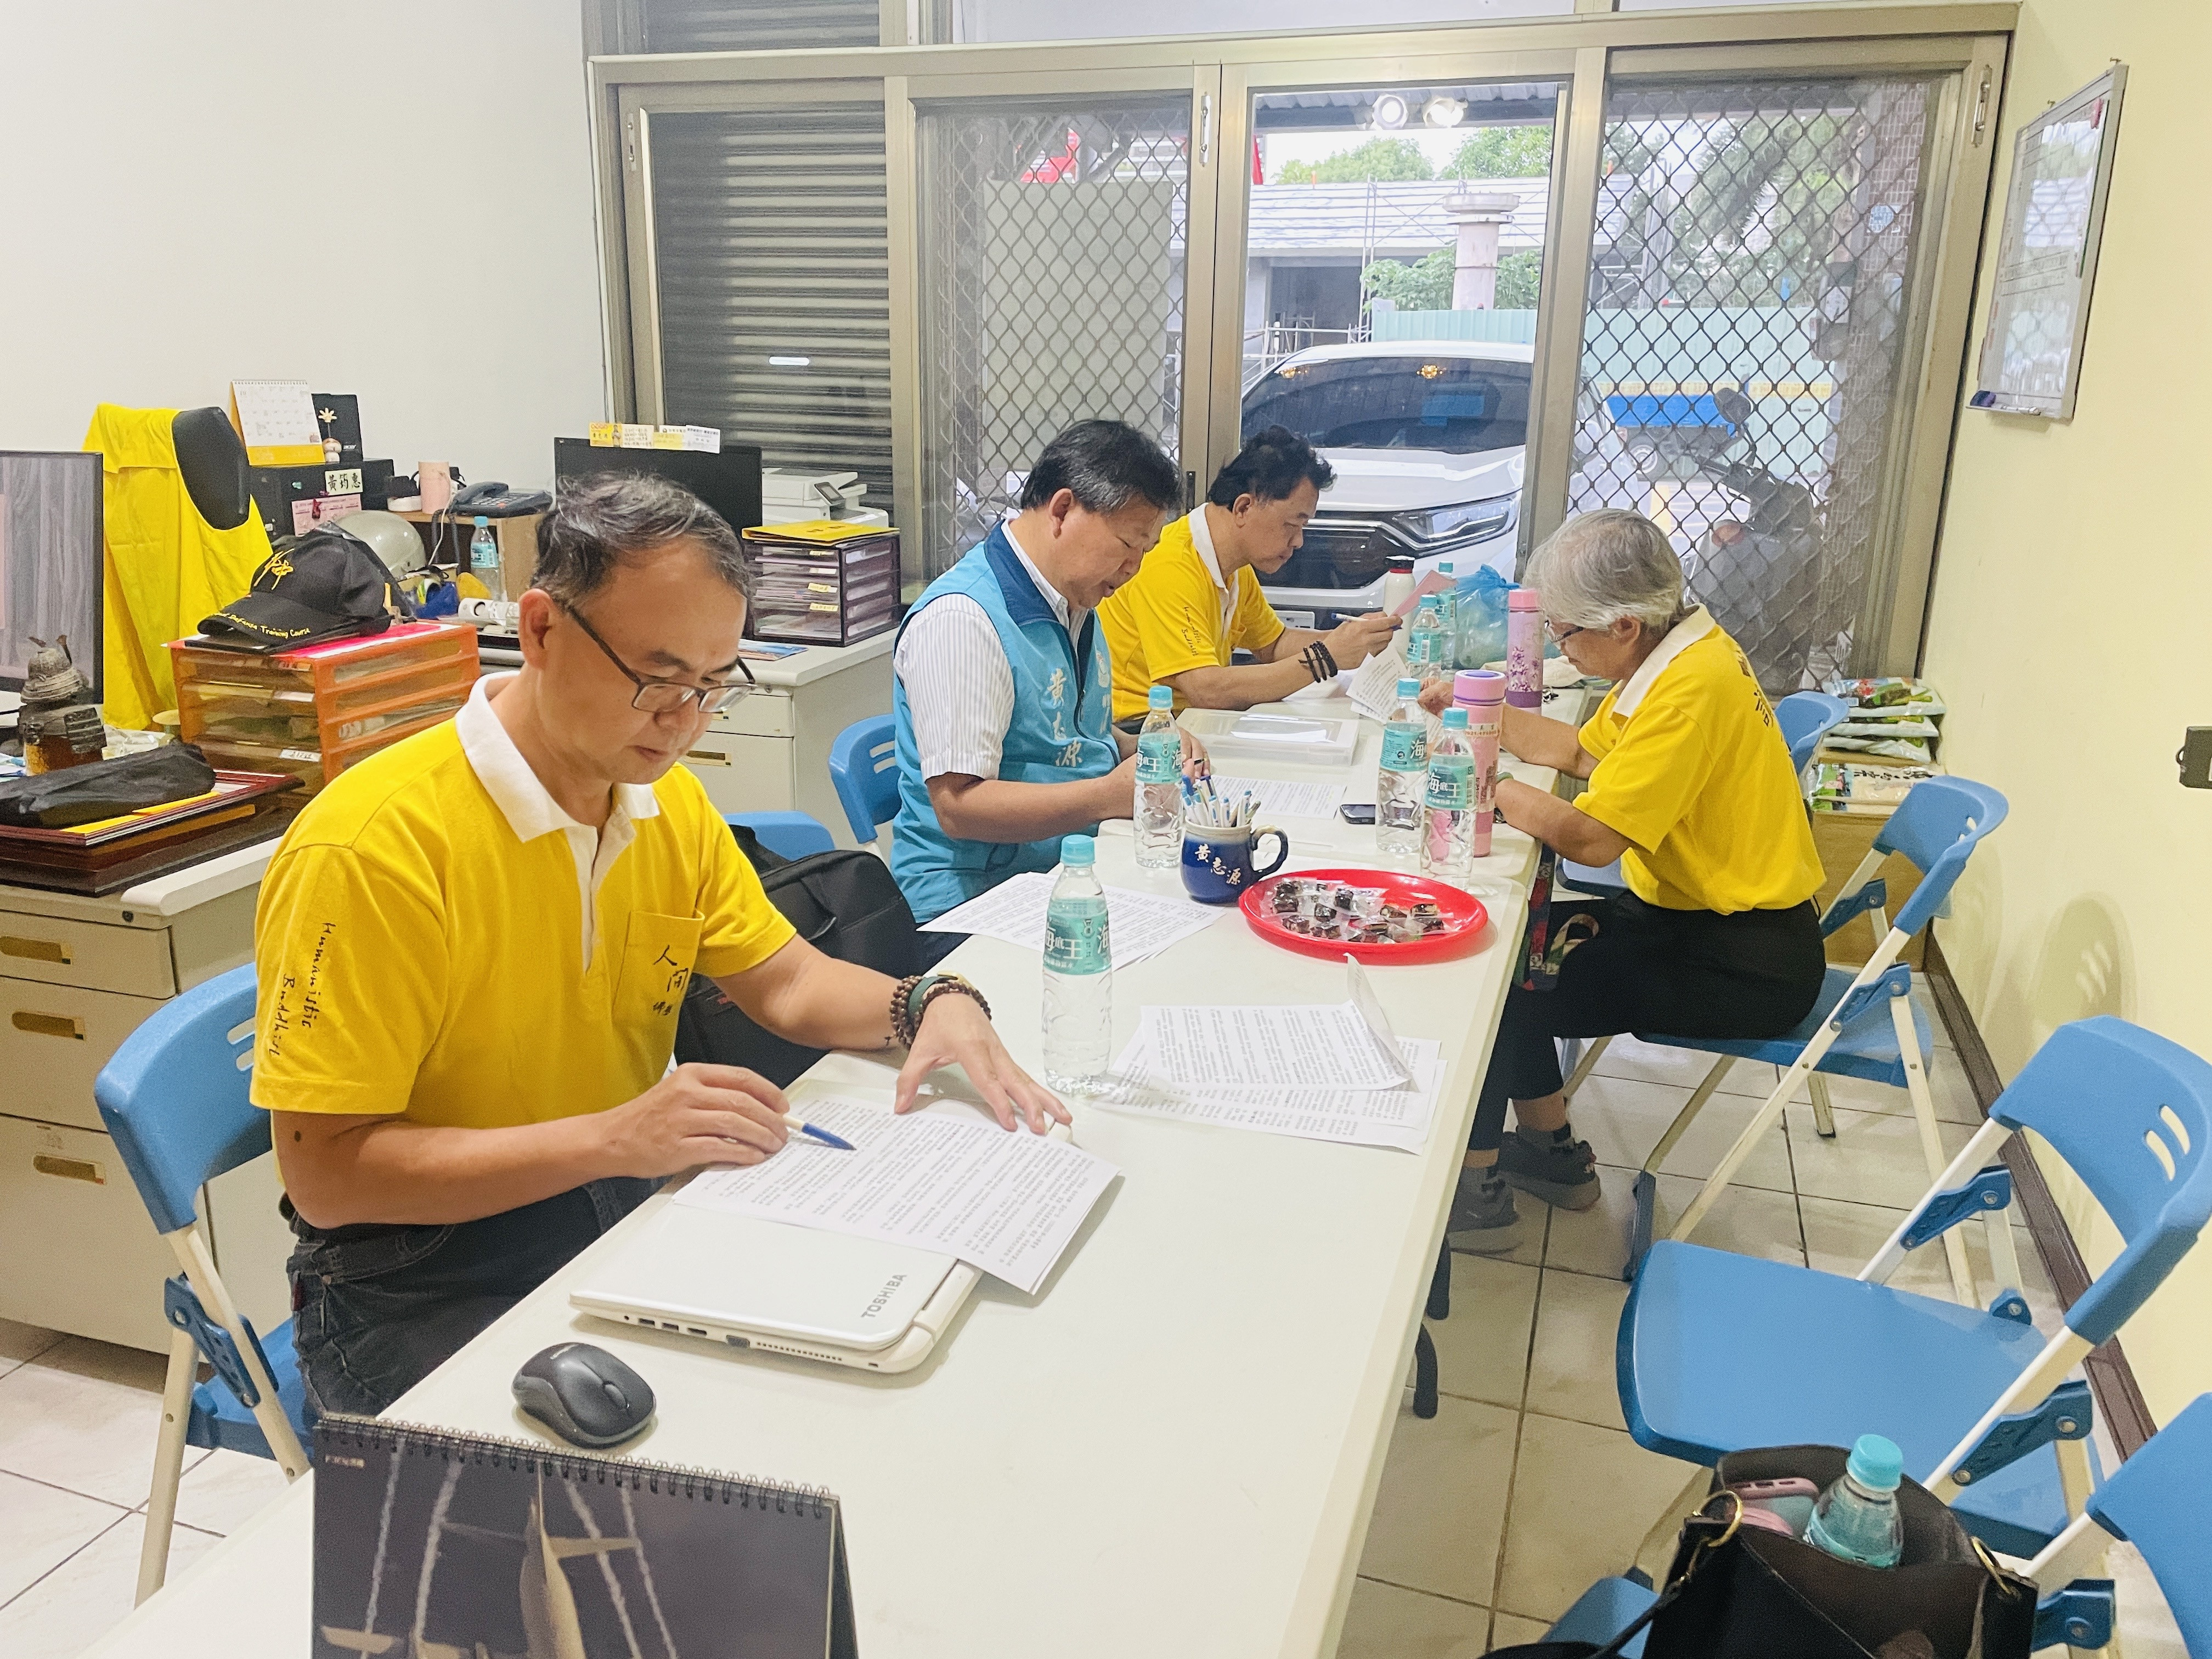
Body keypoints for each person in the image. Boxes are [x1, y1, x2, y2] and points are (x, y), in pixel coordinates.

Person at [253, 475, 1063, 1416]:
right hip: (421, 1267)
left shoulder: (662, 801)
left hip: (613, 1194)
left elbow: (786, 980)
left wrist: (925, 1000)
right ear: (542, 629)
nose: (682, 721)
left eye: (712, 687)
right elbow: (327, 1176)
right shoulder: (375, 848)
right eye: (658, 680)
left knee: (860, 1377)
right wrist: (614, 1137)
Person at [1431, 509, 1828, 1253]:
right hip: (1696, 920)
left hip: (1743, 962)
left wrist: (1483, 783)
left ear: (1622, 626)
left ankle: (1478, 1197)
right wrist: (1474, 711)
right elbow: (1583, 753)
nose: (1561, 648)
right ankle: (1552, 1156)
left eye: (1566, 634)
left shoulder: (1687, 691)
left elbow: (1592, 837)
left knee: (1499, 985)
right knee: (1521, 952)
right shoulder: (1680, 653)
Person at [892, 419, 1199, 924]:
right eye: (1128, 546)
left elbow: (1064, 733)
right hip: (969, 903)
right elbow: (959, 807)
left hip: (1063, 867)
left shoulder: (1072, 600)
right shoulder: (964, 619)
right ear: (1062, 510)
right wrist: (1109, 795)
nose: (1133, 569)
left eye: (1145, 553)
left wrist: (1144, 746)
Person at [1098, 425, 1400, 723]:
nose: (1298, 541)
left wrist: (1350, 639)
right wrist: (1326, 657)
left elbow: (1275, 644)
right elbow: (1206, 690)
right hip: (1145, 729)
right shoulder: (1170, 565)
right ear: (1243, 508)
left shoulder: (1235, 567)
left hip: (1192, 722)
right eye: (1292, 525)